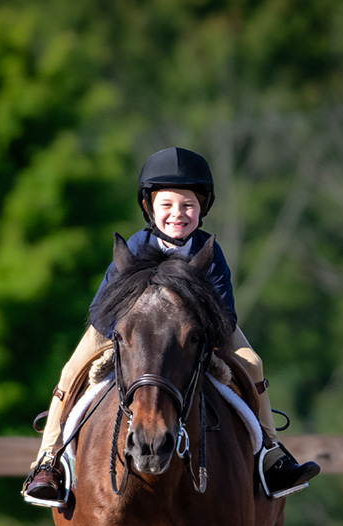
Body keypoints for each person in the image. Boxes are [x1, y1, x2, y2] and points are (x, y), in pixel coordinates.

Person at [23, 147, 319, 506]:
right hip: (127, 330)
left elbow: (224, 316)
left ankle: (272, 455)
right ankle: (48, 460)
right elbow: (102, 310)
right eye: (167, 205)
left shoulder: (209, 251)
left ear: (202, 209)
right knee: (71, 370)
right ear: (149, 207)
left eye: (188, 206)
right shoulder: (135, 245)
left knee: (252, 362)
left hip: (198, 335)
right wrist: (131, 331)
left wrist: (193, 334)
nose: (177, 214)